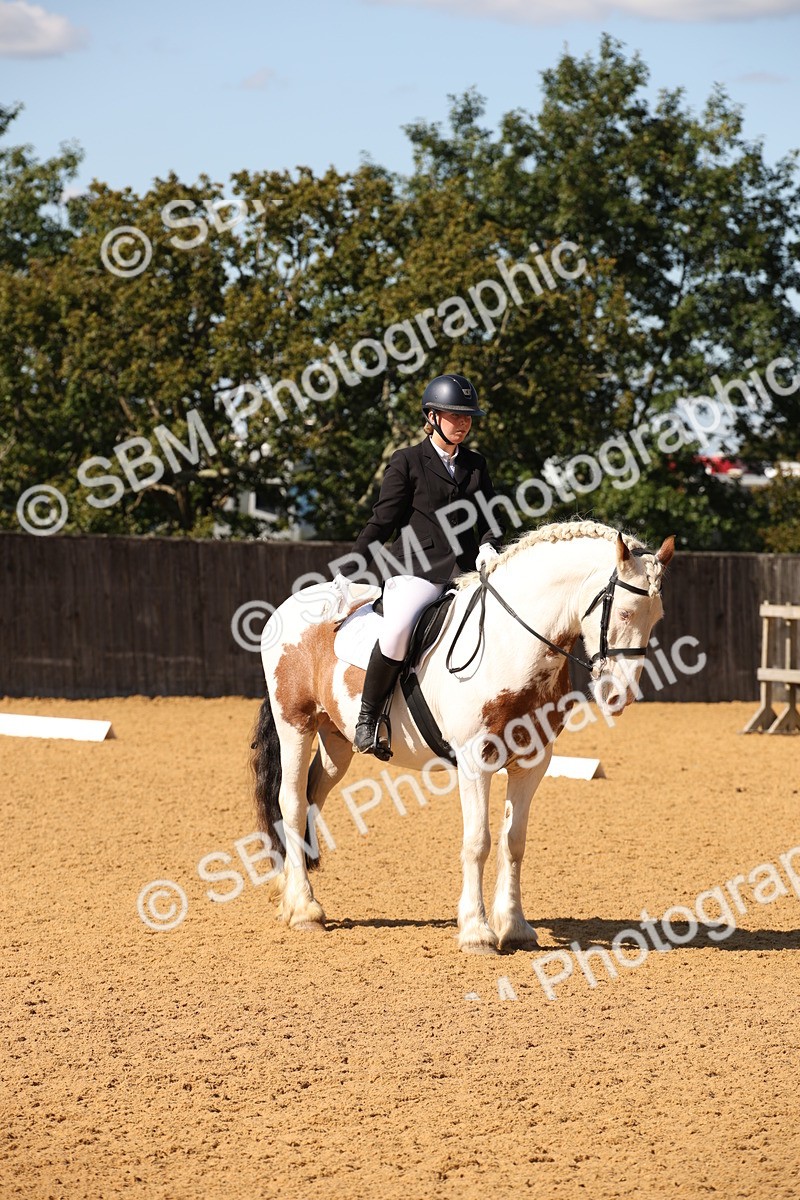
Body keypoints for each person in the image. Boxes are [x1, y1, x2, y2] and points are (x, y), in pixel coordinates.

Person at [334, 373, 503, 758]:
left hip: (465, 572)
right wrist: (349, 567)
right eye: (454, 416)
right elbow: (383, 520)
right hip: (415, 571)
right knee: (397, 631)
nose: (463, 423)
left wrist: (490, 545)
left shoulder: (476, 465)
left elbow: (492, 517)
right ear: (431, 416)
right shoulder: (407, 461)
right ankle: (368, 718)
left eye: (468, 417)